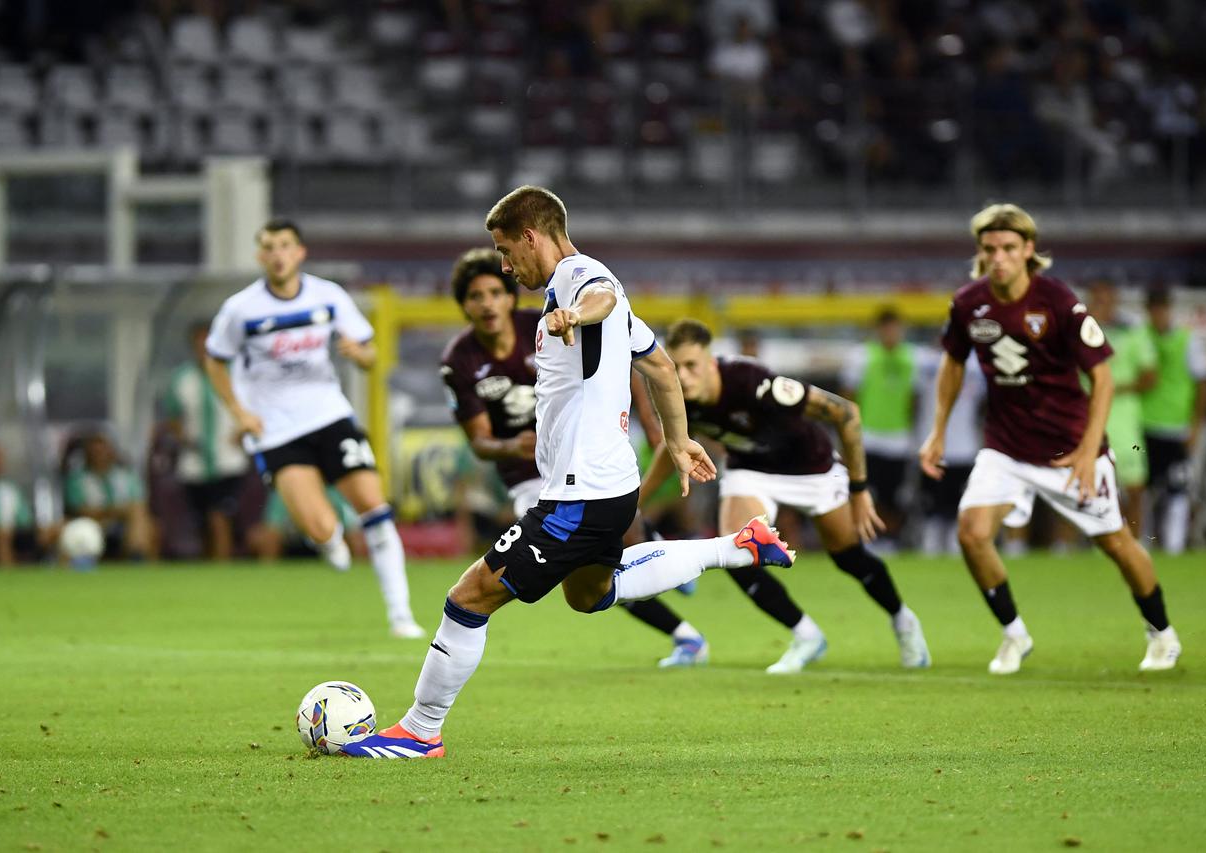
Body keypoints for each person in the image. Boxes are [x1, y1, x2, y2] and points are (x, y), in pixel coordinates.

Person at [345, 186, 795, 759]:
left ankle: (419, 731)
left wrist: (576, 312)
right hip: (608, 487)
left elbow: (601, 296)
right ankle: (738, 546)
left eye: (507, 251)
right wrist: (678, 440)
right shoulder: (587, 291)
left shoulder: (578, 277)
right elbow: (658, 365)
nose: (507, 266)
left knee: (470, 596)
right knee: (591, 595)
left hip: (578, 495)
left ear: (532, 235)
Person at [919, 203, 1180, 675]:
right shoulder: (967, 304)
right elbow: (952, 364)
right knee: (972, 533)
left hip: (1066, 450)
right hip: (1004, 447)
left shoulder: (1058, 302)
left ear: (1028, 251)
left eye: (1009, 248)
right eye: (990, 248)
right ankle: (1013, 635)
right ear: (980, 251)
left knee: (1117, 544)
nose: (998, 257)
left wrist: (1086, 451)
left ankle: (1162, 633)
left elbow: (1101, 379)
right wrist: (937, 430)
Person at [438, 247, 709, 669]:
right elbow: (480, 442)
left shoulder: (544, 321)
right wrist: (511, 446)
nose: (488, 303)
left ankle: (665, 558)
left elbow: (620, 346)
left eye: (495, 291)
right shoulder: (460, 361)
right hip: (531, 480)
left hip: (584, 461)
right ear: (464, 306)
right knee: (585, 577)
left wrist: (655, 423)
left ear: (510, 297)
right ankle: (679, 610)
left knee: (603, 553)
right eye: (476, 296)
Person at [640, 318, 930, 673]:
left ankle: (903, 621)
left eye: (691, 366)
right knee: (737, 551)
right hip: (752, 470)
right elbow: (673, 448)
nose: (682, 376)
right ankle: (806, 635)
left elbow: (846, 413)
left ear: (710, 363)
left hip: (813, 467)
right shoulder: (677, 398)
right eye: (676, 367)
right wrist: (636, 503)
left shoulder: (754, 384)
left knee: (849, 557)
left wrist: (858, 489)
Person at [204, 218, 424, 638]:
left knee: (375, 510)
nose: (277, 254)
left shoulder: (329, 296)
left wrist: (358, 354)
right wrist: (238, 411)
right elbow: (216, 359)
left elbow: (369, 352)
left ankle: (400, 614)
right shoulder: (241, 309)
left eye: (285, 245)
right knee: (321, 528)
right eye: (268, 247)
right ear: (259, 256)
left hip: (329, 416)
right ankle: (328, 540)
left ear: (300, 252)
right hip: (276, 430)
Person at [163, 321, 251, 560]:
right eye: (199, 343)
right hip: (195, 460)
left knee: (219, 514)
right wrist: (182, 436)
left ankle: (223, 565)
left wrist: (242, 432)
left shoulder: (235, 373)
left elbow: (254, 407)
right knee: (202, 519)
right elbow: (172, 415)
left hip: (228, 458)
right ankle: (209, 564)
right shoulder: (182, 377)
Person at [1140, 288, 1206, 554]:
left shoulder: (1186, 339)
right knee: (1143, 490)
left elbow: (1202, 383)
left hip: (1177, 429)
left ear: (1169, 309)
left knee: (1178, 490)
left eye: (1162, 308)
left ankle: (1174, 547)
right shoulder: (1141, 337)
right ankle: (1143, 545)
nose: (1158, 315)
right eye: (1154, 309)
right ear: (1148, 311)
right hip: (1144, 427)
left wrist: (1195, 425)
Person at [840, 307, 917, 546]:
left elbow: (913, 400)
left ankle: (889, 540)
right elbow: (848, 398)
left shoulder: (911, 358)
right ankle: (868, 538)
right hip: (869, 438)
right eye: (887, 328)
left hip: (898, 439)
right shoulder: (862, 356)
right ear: (878, 330)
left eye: (895, 328)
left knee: (893, 495)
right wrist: (847, 438)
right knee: (865, 493)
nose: (891, 333)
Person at [1085, 280, 1157, 529]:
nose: (1102, 303)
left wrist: (1112, 388)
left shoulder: (1132, 331)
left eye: (1107, 298)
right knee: (1082, 489)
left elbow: (1150, 376)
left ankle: (1136, 541)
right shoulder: (1077, 331)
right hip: (1088, 421)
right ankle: (1068, 549)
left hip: (1126, 423)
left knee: (1134, 487)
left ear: (1115, 300)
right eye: (1097, 298)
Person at [913, 347, 985, 555]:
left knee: (959, 504)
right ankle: (930, 545)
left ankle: (956, 545)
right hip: (934, 447)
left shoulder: (976, 366)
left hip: (964, 447)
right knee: (931, 505)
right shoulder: (927, 363)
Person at [63, 431, 158, 560]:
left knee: (143, 520)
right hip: (94, 524)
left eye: (103, 450)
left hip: (125, 524)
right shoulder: (77, 480)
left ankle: (137, 557)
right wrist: (115, 511)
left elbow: (138, 505)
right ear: (87, 454)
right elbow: (80, 510)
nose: (100, 455)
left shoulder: (127, 476)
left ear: (112, 452)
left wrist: (119, 512)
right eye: (95, 451)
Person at [0, 441, 50, 566]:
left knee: (52, 530)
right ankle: (7, 575)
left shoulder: (10, 490)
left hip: (15, 532)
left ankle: (59, 573)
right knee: (2, 535)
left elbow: (25, 520)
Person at [250, 485, 363, 562]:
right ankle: (269, 572)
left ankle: (357, 572)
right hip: (293, 539)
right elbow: (272, 527)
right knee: (264, 536)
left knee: (359, 539)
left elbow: (352, 529)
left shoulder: (335, 491)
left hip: (333, 537)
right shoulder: (286, 488)